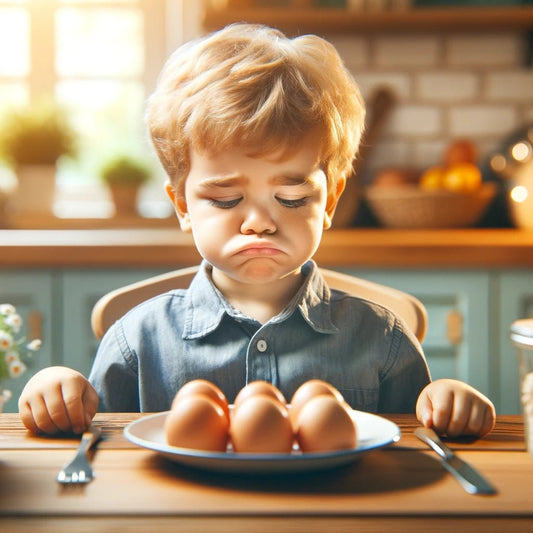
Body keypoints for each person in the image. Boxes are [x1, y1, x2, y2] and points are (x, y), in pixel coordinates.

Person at [19, 23, 495, 439]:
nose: (261, 221)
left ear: (329, 201)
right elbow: (96, 449)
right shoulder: (137, 342)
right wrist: (58, 392)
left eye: (291, 199)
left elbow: (421, 447)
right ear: (183, 205)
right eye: (226, 199)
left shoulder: (382, 339)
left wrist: (446, 402)